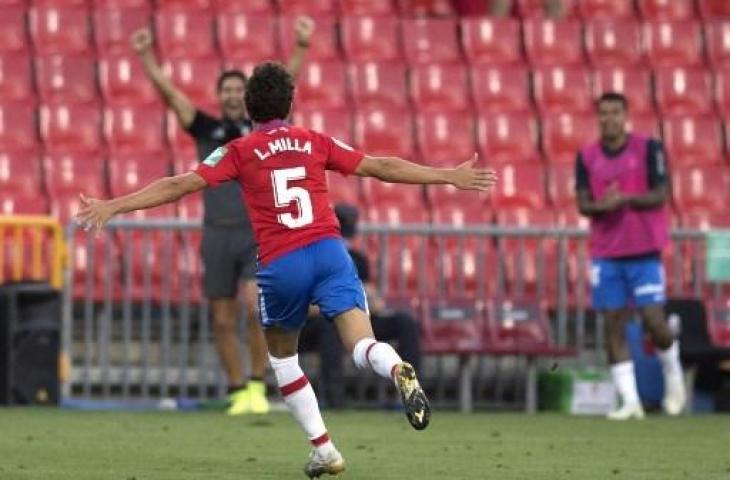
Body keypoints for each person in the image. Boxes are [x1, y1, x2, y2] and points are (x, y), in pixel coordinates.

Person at [76, 61, 497, 478]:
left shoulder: (239, 150)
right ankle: (395, 367)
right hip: (331, 253)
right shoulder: (313, 140)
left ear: (249, 107)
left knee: (284, 361)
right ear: (290, 104)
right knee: (361, 345)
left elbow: (179, 184)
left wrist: (115, 205)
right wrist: (449, 176)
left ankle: (326, 450)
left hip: (282, 263)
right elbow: (380, 166)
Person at [129, 18, 314, 416]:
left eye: (238, 90)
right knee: (222, 318)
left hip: (253, 233)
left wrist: (300, 46)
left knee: (253, 307)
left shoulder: (257, 129)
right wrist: (145, 55)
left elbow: (286, 82)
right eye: (226, 90)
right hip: (215, 234)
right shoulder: (206, 128)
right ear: (218, 96)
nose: (232, 95)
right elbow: (170, 94)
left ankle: (255, 385)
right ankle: (236, 392)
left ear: (246, 96)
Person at [575, 92, 686, 421]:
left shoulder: (649, 149)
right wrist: (601, 206)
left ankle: (674, 372)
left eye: (615, 112)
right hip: (606, 254)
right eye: (603, 113)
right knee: (613, 325)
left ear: (625, 115)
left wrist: (625, 200)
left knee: (654, 321)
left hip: (644, 251)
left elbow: (661, 194)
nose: (608, 119)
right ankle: (630, 402)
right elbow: (583, 204)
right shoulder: (587, 156)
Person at [299, 203, 423, 409]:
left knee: (405, 322)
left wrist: (361, 301)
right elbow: (304, 304)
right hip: (321, 321)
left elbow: (374, 300)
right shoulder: (311, 258)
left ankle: (409, 392)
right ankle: (335, 398)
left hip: (356, 315)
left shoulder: (357, 259)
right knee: (329, 327)